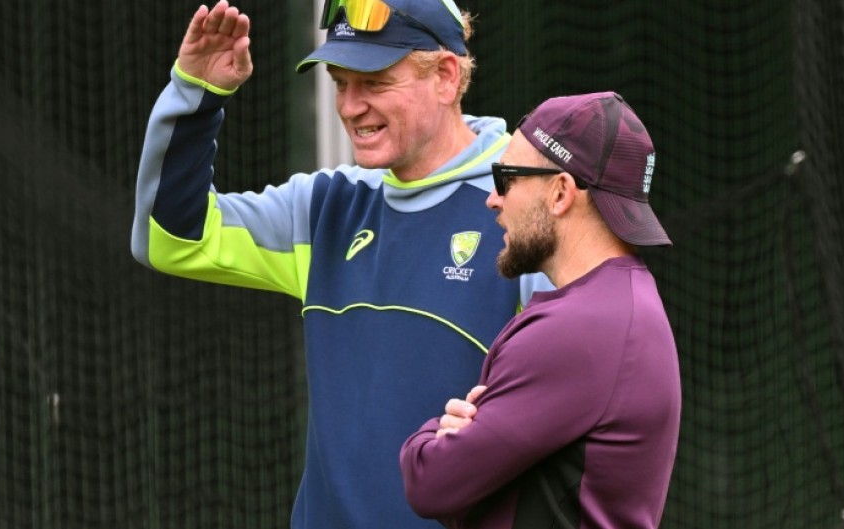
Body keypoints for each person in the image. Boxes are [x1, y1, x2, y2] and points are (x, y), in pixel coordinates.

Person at [130, 1, 552, 528]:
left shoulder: (527, 207)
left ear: (446, 77)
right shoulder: (325, 207)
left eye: (374, 83)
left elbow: (582, 409)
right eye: (340, 83)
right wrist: (195, 94)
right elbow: (170, 238)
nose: (351, 107)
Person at [400, 91, 682, 529]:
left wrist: (430, 437)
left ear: (560, 193)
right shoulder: (623, 302)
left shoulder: (580, 328)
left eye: (506, 178)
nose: (493, 199)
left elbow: (430, 482)